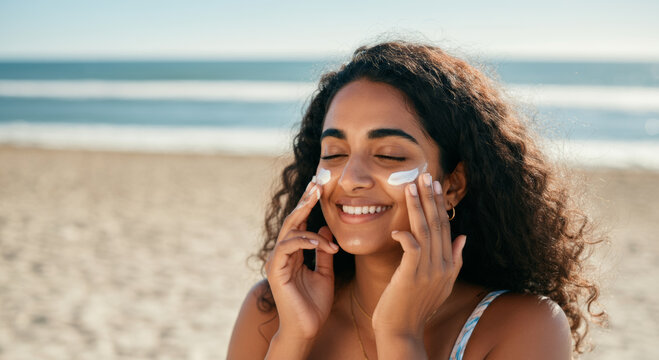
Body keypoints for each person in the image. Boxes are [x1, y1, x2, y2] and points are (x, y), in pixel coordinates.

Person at [228, 41, 606, 359]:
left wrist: (399, 337)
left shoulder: (524, 325)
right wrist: (292, 339)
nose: (350, 178)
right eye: (334, 153)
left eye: (390, 154)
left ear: (454, 185)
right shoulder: (273, 308)